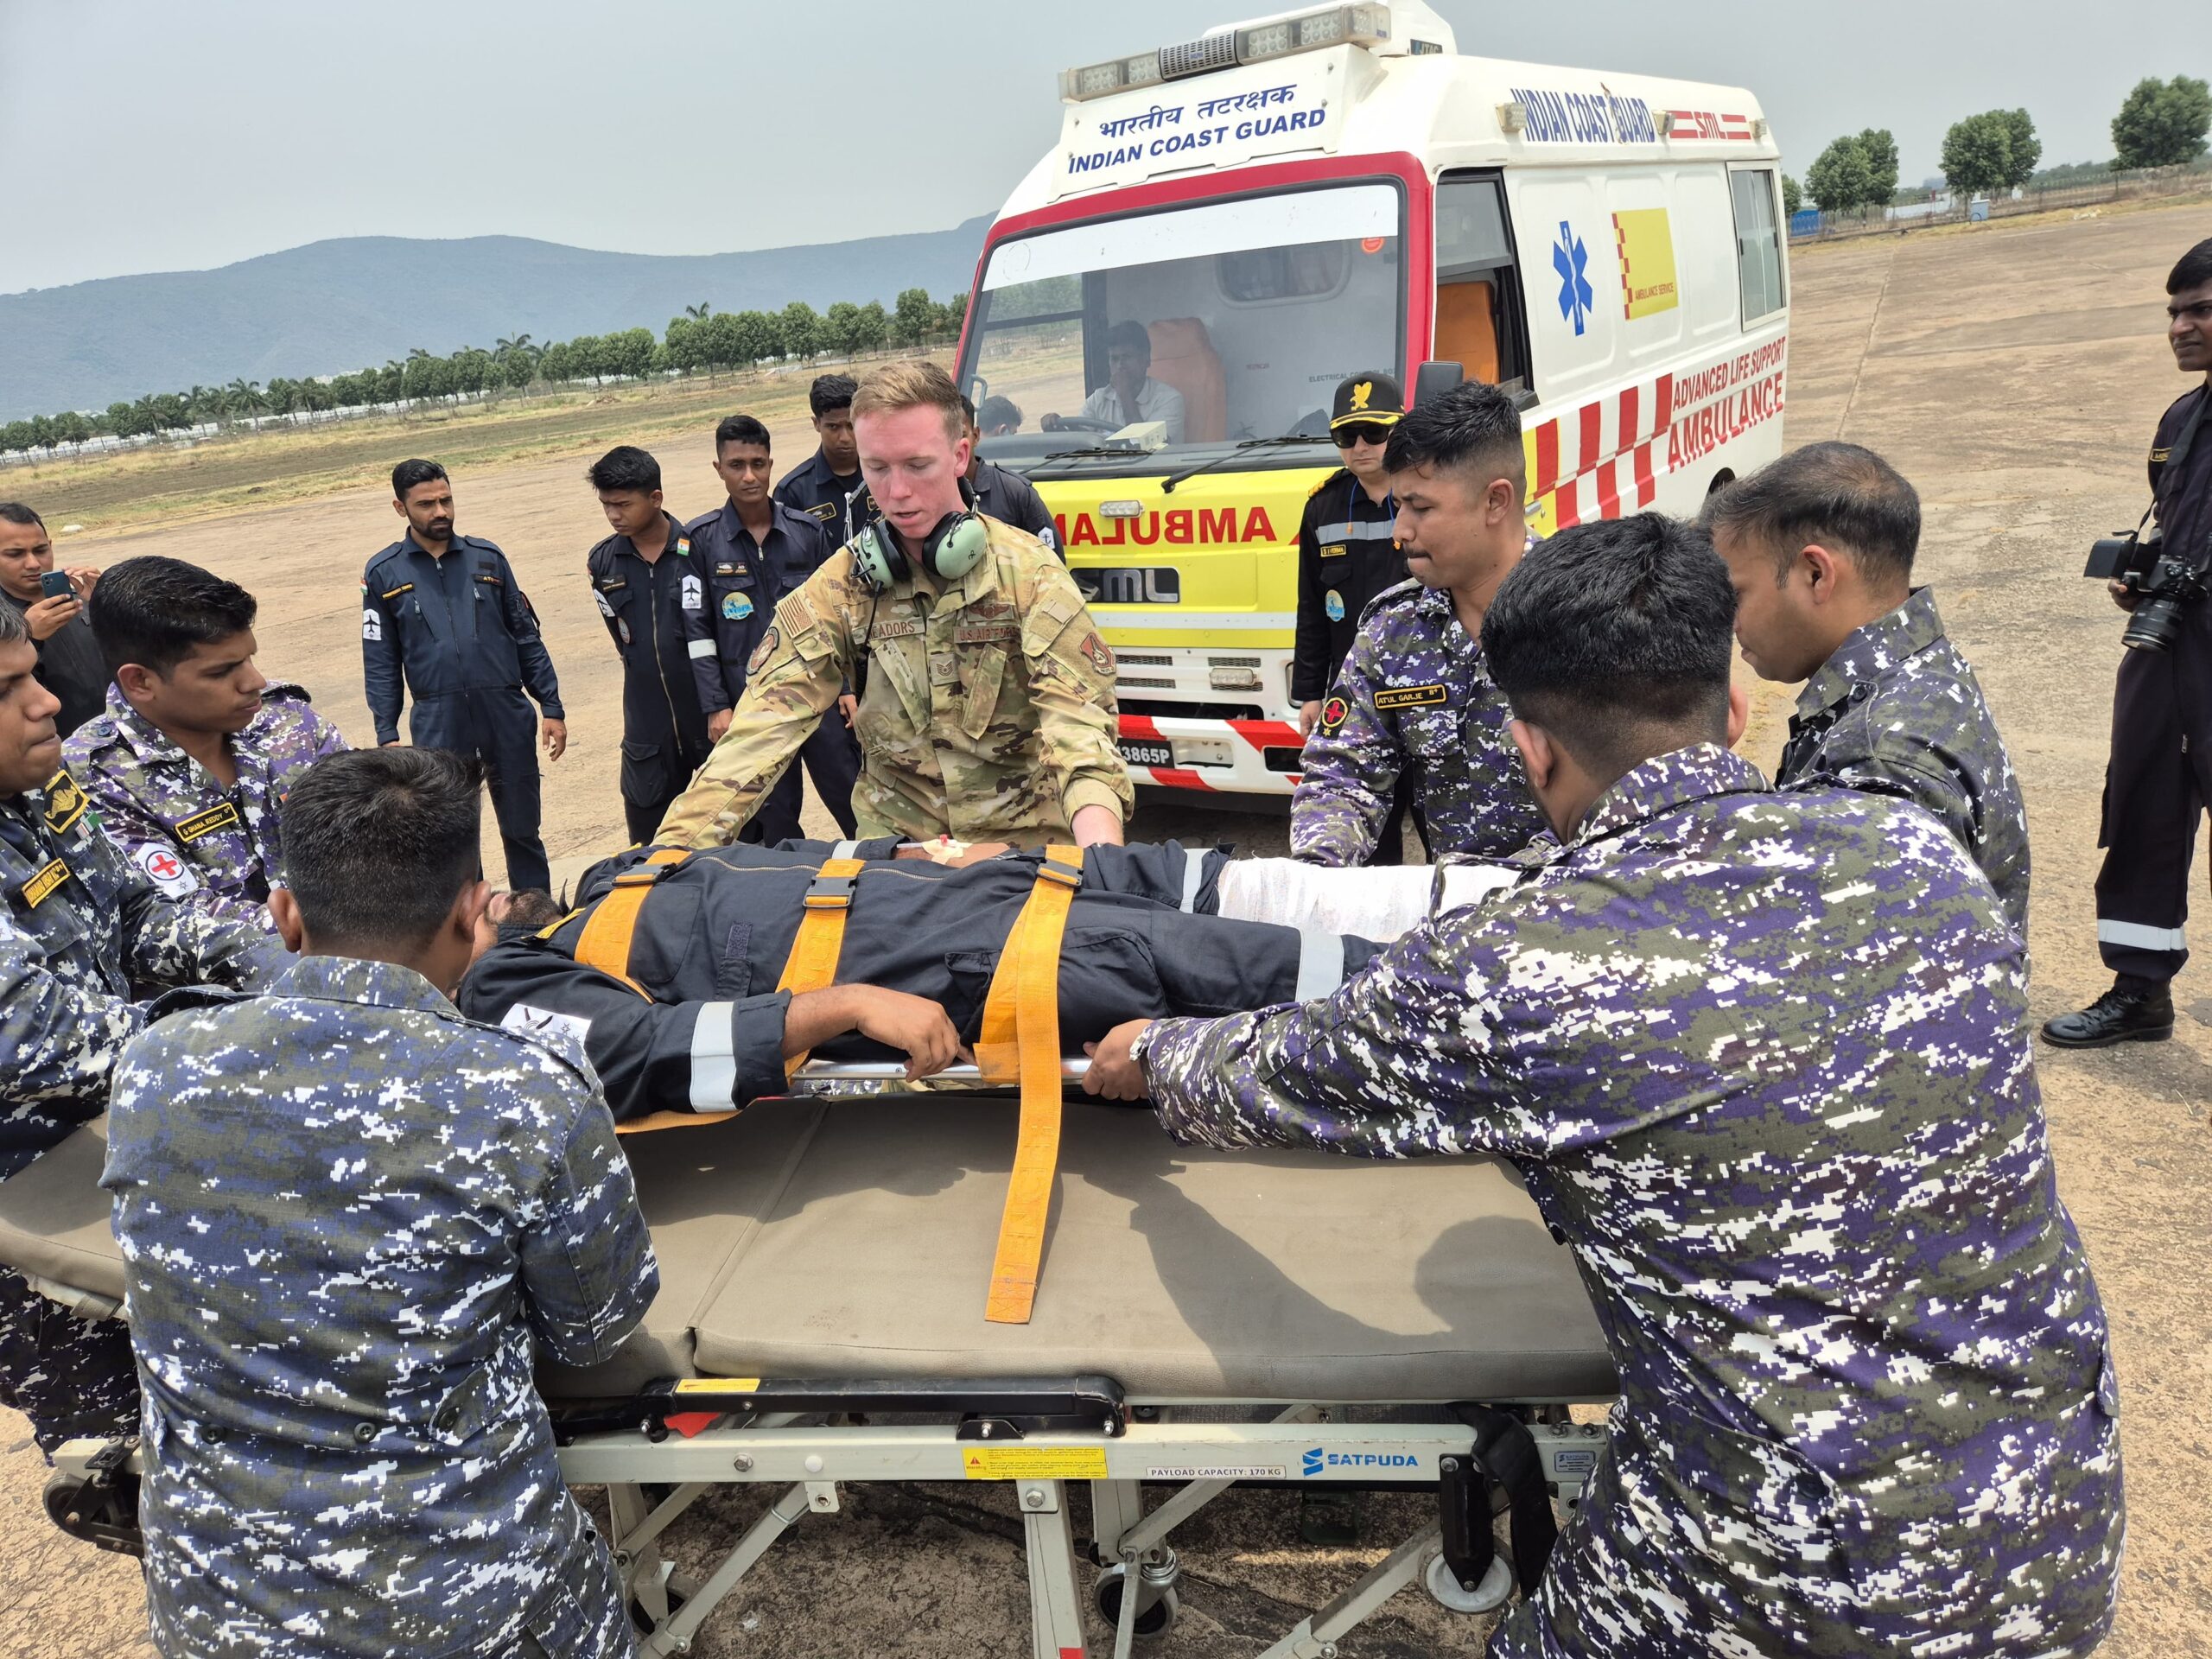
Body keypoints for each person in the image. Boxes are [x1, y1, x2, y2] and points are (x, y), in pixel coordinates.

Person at [1085, 513, 2124, 1659]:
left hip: (1793, 1587)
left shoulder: (1522, 965)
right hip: (2055, 1534)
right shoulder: (1918, 854)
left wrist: (1150, 1054)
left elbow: (1282, 1074)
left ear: (1530, 752)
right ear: (1735, 711)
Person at [105, 747, 655, 1657]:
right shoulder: (526, 1094)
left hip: (220, 1610)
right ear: (474, 915)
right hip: (475, 1609)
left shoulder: (156, 1063)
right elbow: (595, 1330)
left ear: (284, 915)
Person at [460, 836, 1376, 1122]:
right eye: (475, 901)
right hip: (972, 964)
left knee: (1200, 892)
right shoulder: (507, 987)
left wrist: (910, 851)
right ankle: (1433, 1009)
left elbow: (778, 859)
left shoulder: (615, 878)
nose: (493, 893)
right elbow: (646, 1054)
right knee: (1243, 967)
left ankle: (1437, 948)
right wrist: (847, 1005)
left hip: (973, 890)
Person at [0, 601, 286, 1455]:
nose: (48, 701)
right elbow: (33, 1033)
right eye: (8, 690)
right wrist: (241, 1030)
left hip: (110, 1133)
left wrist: (274, 959)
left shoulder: (38, 786)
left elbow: (132, 913)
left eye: (33, 675)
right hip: (29, 1200)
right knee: (128, 1445)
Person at [655, 361, 1131, 850]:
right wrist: (669, 852)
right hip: (897, 855)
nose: (897, 492)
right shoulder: (842, 587)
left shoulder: (1031, 576)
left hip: (1024, 849)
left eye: (917, 465)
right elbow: (760, 729)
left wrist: (1100, 857)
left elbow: (1081, 734)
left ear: (960, 455)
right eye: (877, 468)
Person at [1705, 442, 2029, 934]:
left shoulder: (1877, 762)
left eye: (1737, 593)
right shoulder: (1914, 667)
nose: (1729, 621)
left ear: (1816, 575)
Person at [2045, 236, 2212, 1047]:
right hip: (2166, 651)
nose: (2180, 327)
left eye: (2201, 310)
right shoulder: (2181, 420)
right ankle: (2141, 990)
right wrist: (2145, 579)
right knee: (2143, 812)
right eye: (2174, 313)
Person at [1289, 380, 1547, 867]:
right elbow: (1341, 773)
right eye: (1400, 504)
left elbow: (1626, 790)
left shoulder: (1590, 615)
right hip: (1446, 905)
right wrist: (1319, 870)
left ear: (1495, 502)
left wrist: (1518, 882)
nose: (1400, 529)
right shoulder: (1394, 630)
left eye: (1421, 508)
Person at [63, 556, 347, 924]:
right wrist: (346, 924)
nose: (255, 682)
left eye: (248, 658)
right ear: (140, 681)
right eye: (221, 672)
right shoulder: (94, 776)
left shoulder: (285, 717)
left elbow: (373, 830)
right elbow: (173, 921)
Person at [362, 460, 565, 893]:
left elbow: (525, 635)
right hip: (438, 719)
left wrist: (550, 704)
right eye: (426, 504)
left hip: (505, 711)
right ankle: (470, 924)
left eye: (446, 500)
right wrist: (386, 731)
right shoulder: (384, 573)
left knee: (523, 828)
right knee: (455, 837)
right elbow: (380, 658)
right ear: (400, 508)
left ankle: (535, 913)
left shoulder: (488, 558)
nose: (441, 512)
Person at [686, 414, 855, 840]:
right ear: (719, 469)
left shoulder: (806, 532)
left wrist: (847, 687)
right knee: (774, 816)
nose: (749, 476)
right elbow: (697, 632)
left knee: (852, 796)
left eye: (758, 464)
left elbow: (837, 614)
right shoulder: (700, 540)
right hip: (752, 702)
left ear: (770, 464)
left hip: (816, 689)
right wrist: (716, 705)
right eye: (736, 465)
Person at [1293, 373, 1415, 864]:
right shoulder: (1323, 507)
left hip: (1427, 686)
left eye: (1374, 432)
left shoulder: (1427, 496)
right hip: (1359, 696)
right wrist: (1310, 693)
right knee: (1370, 839)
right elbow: (1311, 608)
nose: (1360, 446)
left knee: (1445, 827)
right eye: (1347, 435)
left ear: (1399, 431)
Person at [585, 444, 715, 845]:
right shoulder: (602, 563)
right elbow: (622, 638)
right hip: (647, 724)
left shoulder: (699, 549)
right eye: (606, 505)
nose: (613, 515)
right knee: (647, 844)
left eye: (623, 504)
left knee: (735, 832)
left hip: (708, 715)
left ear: (656, 498)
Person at [0, 502, 105, 739]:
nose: (33, 563)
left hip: (119, 743)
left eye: (40, 550)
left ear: (50, 546)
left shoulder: (84, 600)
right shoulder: (4, 624)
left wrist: (109, 606)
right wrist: (27, 639)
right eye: (15, 554)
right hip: (54, 750)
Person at [1043, 321, 1186, 443]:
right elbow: (1081, 442)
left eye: (1127, 357)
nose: (1120, 366)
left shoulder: (1169, 399)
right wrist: (1057, 428)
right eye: (1114, 359)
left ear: (1146, 360)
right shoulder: (1098, 399)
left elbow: (1147, 446)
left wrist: (1125, 394)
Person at [960, 394, 1058, 554]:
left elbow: (1052, 562)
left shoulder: (1016, 493)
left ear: (976, 435)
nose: (954, 445)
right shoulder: (925, 498)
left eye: (960, 435)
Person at [774, 372, 867, 538]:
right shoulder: (793, 491)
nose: (844, 437)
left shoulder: (884, 474)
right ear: (816, 423)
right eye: (833, 427)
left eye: (851, 425)